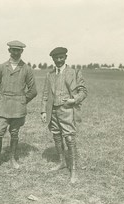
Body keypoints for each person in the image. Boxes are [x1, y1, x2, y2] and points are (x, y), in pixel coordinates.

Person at [0, 40, 37, 172]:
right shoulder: (2, 67)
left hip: (18, 109)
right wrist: (5, 97)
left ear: (22, 51)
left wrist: (21, 100)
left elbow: (33, 90)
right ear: (9, 51)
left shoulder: (27, 69)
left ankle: (12, 158)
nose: (15, 52)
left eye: (18, 50)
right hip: (2, 107)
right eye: (13, 49)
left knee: (14, 133)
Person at [41, 47, 87, 183]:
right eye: (56, 58)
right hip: (53, 111)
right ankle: (62, 162)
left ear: (66, 57)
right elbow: (45, 94)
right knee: (56, 135)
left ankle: (73, 170)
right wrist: (43, 111)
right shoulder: (49, 75)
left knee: (69, 138)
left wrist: (74, 99)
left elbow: (83, 91)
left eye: (61, 57)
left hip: (67, 111)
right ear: (53, 59)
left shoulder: (74, 72)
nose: (59, 60)